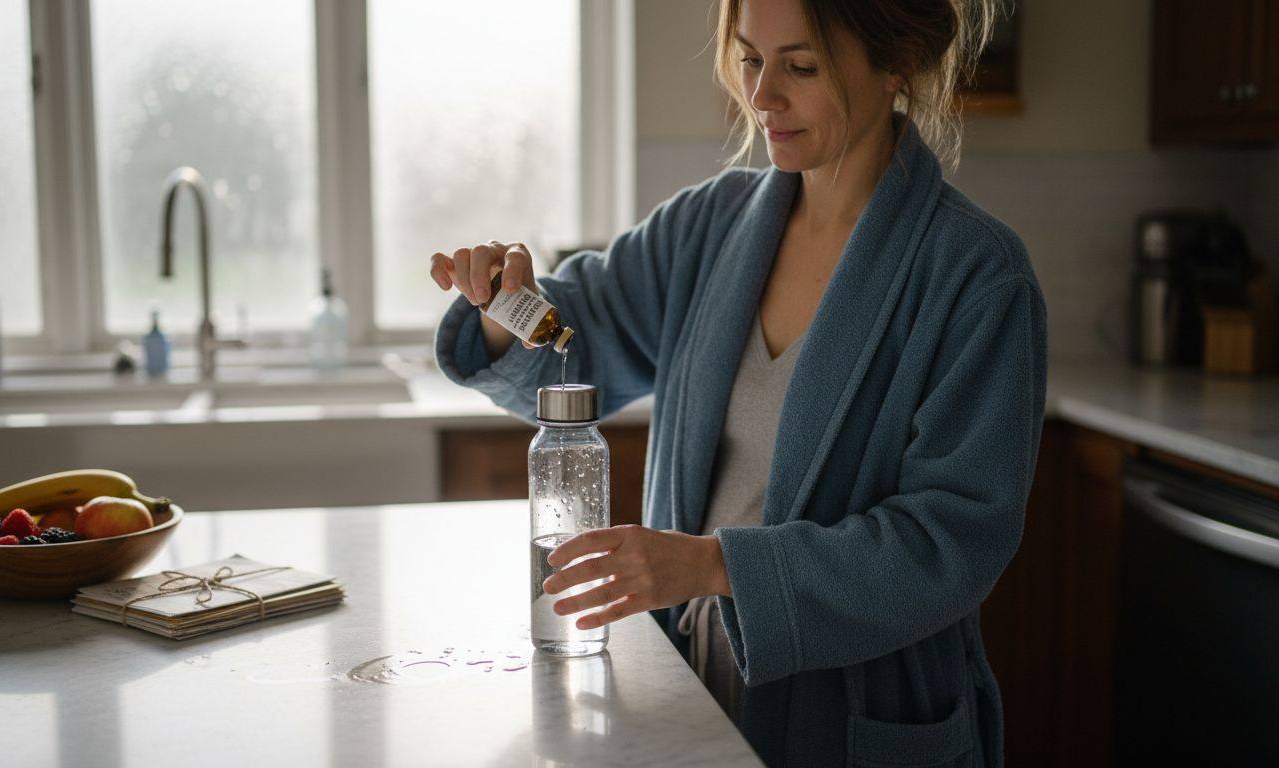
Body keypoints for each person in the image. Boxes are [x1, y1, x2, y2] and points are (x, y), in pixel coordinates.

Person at [429, 0, 1043, 764]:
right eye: (751, 59)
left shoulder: (977, 277)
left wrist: (714, 566)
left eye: (802, 66)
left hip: (857, 725)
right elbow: (573, 346)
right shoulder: (706, 228)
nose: (761, 96)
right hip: (690, 692)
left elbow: (949, 543)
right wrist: (504, 306)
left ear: (899, 63)